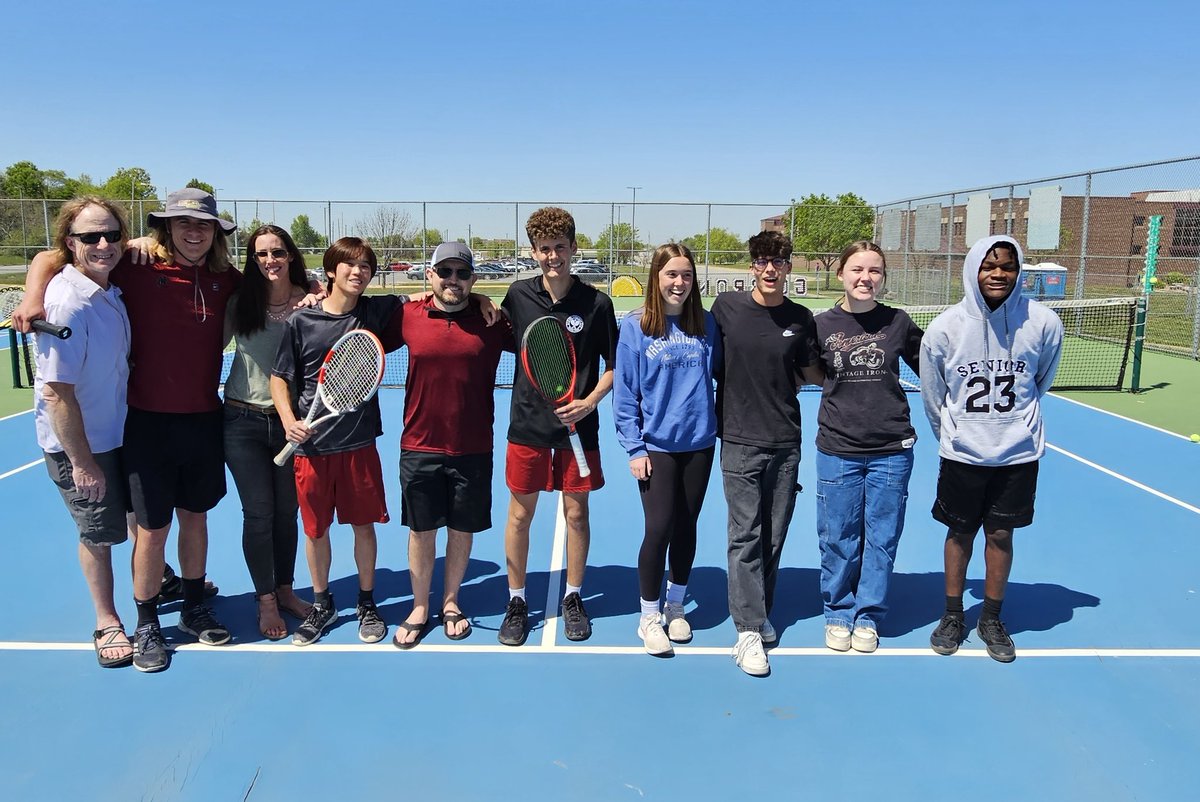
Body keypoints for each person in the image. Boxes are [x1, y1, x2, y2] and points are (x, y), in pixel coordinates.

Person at [18, 187, 241, 672]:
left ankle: (192, 606)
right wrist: (34, 292)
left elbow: (280, 282)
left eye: (203, 224)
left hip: (203, 418)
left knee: (196, 519)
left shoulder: (227, 278)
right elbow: (51, 256)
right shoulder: (132, 266)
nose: (194, 231)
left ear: (216, 232)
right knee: (151, 529)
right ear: (166, 227)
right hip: (143, 424)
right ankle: (144, 624)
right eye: (183, 222)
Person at [920, 234, 1063, 663]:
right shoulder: (945, 328)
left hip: (1017, 452)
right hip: (964, 453)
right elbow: (933, 396)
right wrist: (957, 433)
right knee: (959, 532)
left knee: (1001, 533)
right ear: (973, 269)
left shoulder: (1043, 323)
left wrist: (1014, 423)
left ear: (1019, 271)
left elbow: (1042, 381)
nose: (998, 273)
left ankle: (992, 618)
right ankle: (952, 614)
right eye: (988, 265)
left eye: (1007, 266)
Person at [270, 237, 403, 647]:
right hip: (311, 451)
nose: (358, 272)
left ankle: (366, 603)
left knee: (363, 527)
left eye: (366, 266)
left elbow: (419, 297)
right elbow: (280, 378)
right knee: (316, 532)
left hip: (358, 445)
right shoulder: (301, 321)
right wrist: (290, 420)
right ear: (330, 270)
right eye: (349, 265)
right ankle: (322, 602)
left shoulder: (375, 312)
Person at [497, 207, 618, 646]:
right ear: (534, 252)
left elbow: (614, 366)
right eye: (544, 249)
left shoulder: (597, 303)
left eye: (560, 248)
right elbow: (491, 325)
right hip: (527, 427)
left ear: (573, 248)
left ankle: (573, 596)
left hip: (579, 432)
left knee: (576, 514)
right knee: (519, 515)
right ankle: (516, 599)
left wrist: (589, 401)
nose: (553, 257)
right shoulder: (517, 295)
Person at [385, 242, 514, 647]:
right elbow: (353, 322)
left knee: (461, 529)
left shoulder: (493, 323)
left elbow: (544, 338)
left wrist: (485, 301)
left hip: (474, 447)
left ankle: (452, 602)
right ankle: (420, 606)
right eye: (445, 272)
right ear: (430, 276)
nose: (452, 280)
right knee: (422, 531)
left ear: (473, 279)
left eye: (462, 274)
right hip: (419, 446)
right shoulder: (407, 317)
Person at [711, 230, 821, 676]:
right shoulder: (726, 310)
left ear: (789, 266)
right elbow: (702, 353)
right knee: (745, 536)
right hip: (738, 440)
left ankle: (760, 610)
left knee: (773, 536)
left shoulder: (802, 317)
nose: (770, 269)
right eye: (761, 261)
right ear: (751, 265)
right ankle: (748, 629)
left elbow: (811, 370)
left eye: (778, 261)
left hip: (785, 441)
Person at [34, 197, 134, 668]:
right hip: (81, 444)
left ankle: (162, 577)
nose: (103, 244)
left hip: (118, 430)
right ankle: (107, 619)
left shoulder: (109, 289)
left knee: (133, 516)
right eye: (91, 236)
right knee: (98, 533)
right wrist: (81, 462)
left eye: (112, 235)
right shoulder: (66, 301)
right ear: (70, 243)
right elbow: (56, 394)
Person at [812, 241, 922, 653]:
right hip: (838, 447)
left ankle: (869, 614)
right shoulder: (821, 325)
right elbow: (804, 370)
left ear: (883, 277)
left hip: (892, 449)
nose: (865, 278)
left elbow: (934, 362)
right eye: (857, 269)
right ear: (841, 273)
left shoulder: (898, 322)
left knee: (881, 536)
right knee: (838, 535)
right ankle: (838, 611)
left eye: (874, 271)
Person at [613, 243, 718, 656]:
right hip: (655, 446)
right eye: (671, 275)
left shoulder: (706, 325)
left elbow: (721, 374)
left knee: (686, 525)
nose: (679, 283)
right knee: (658, 528)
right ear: (656, 278)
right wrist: (634, 447)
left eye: (687, 275)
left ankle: (676, 605)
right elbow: (625, 393)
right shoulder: (635, 326)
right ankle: (648, 615)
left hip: (699, 444)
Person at [223, 225, 314, 640]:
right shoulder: (240, 302)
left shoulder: (311, 299)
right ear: (253, 260)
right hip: (242, 422)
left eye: (278, 251)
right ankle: (265, 600)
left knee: (286, 513)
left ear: (291, 255)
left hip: (292, 425)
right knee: (258, 514)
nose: (270, 260)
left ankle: (286, 590)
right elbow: (204, 346)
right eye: (261, 254)